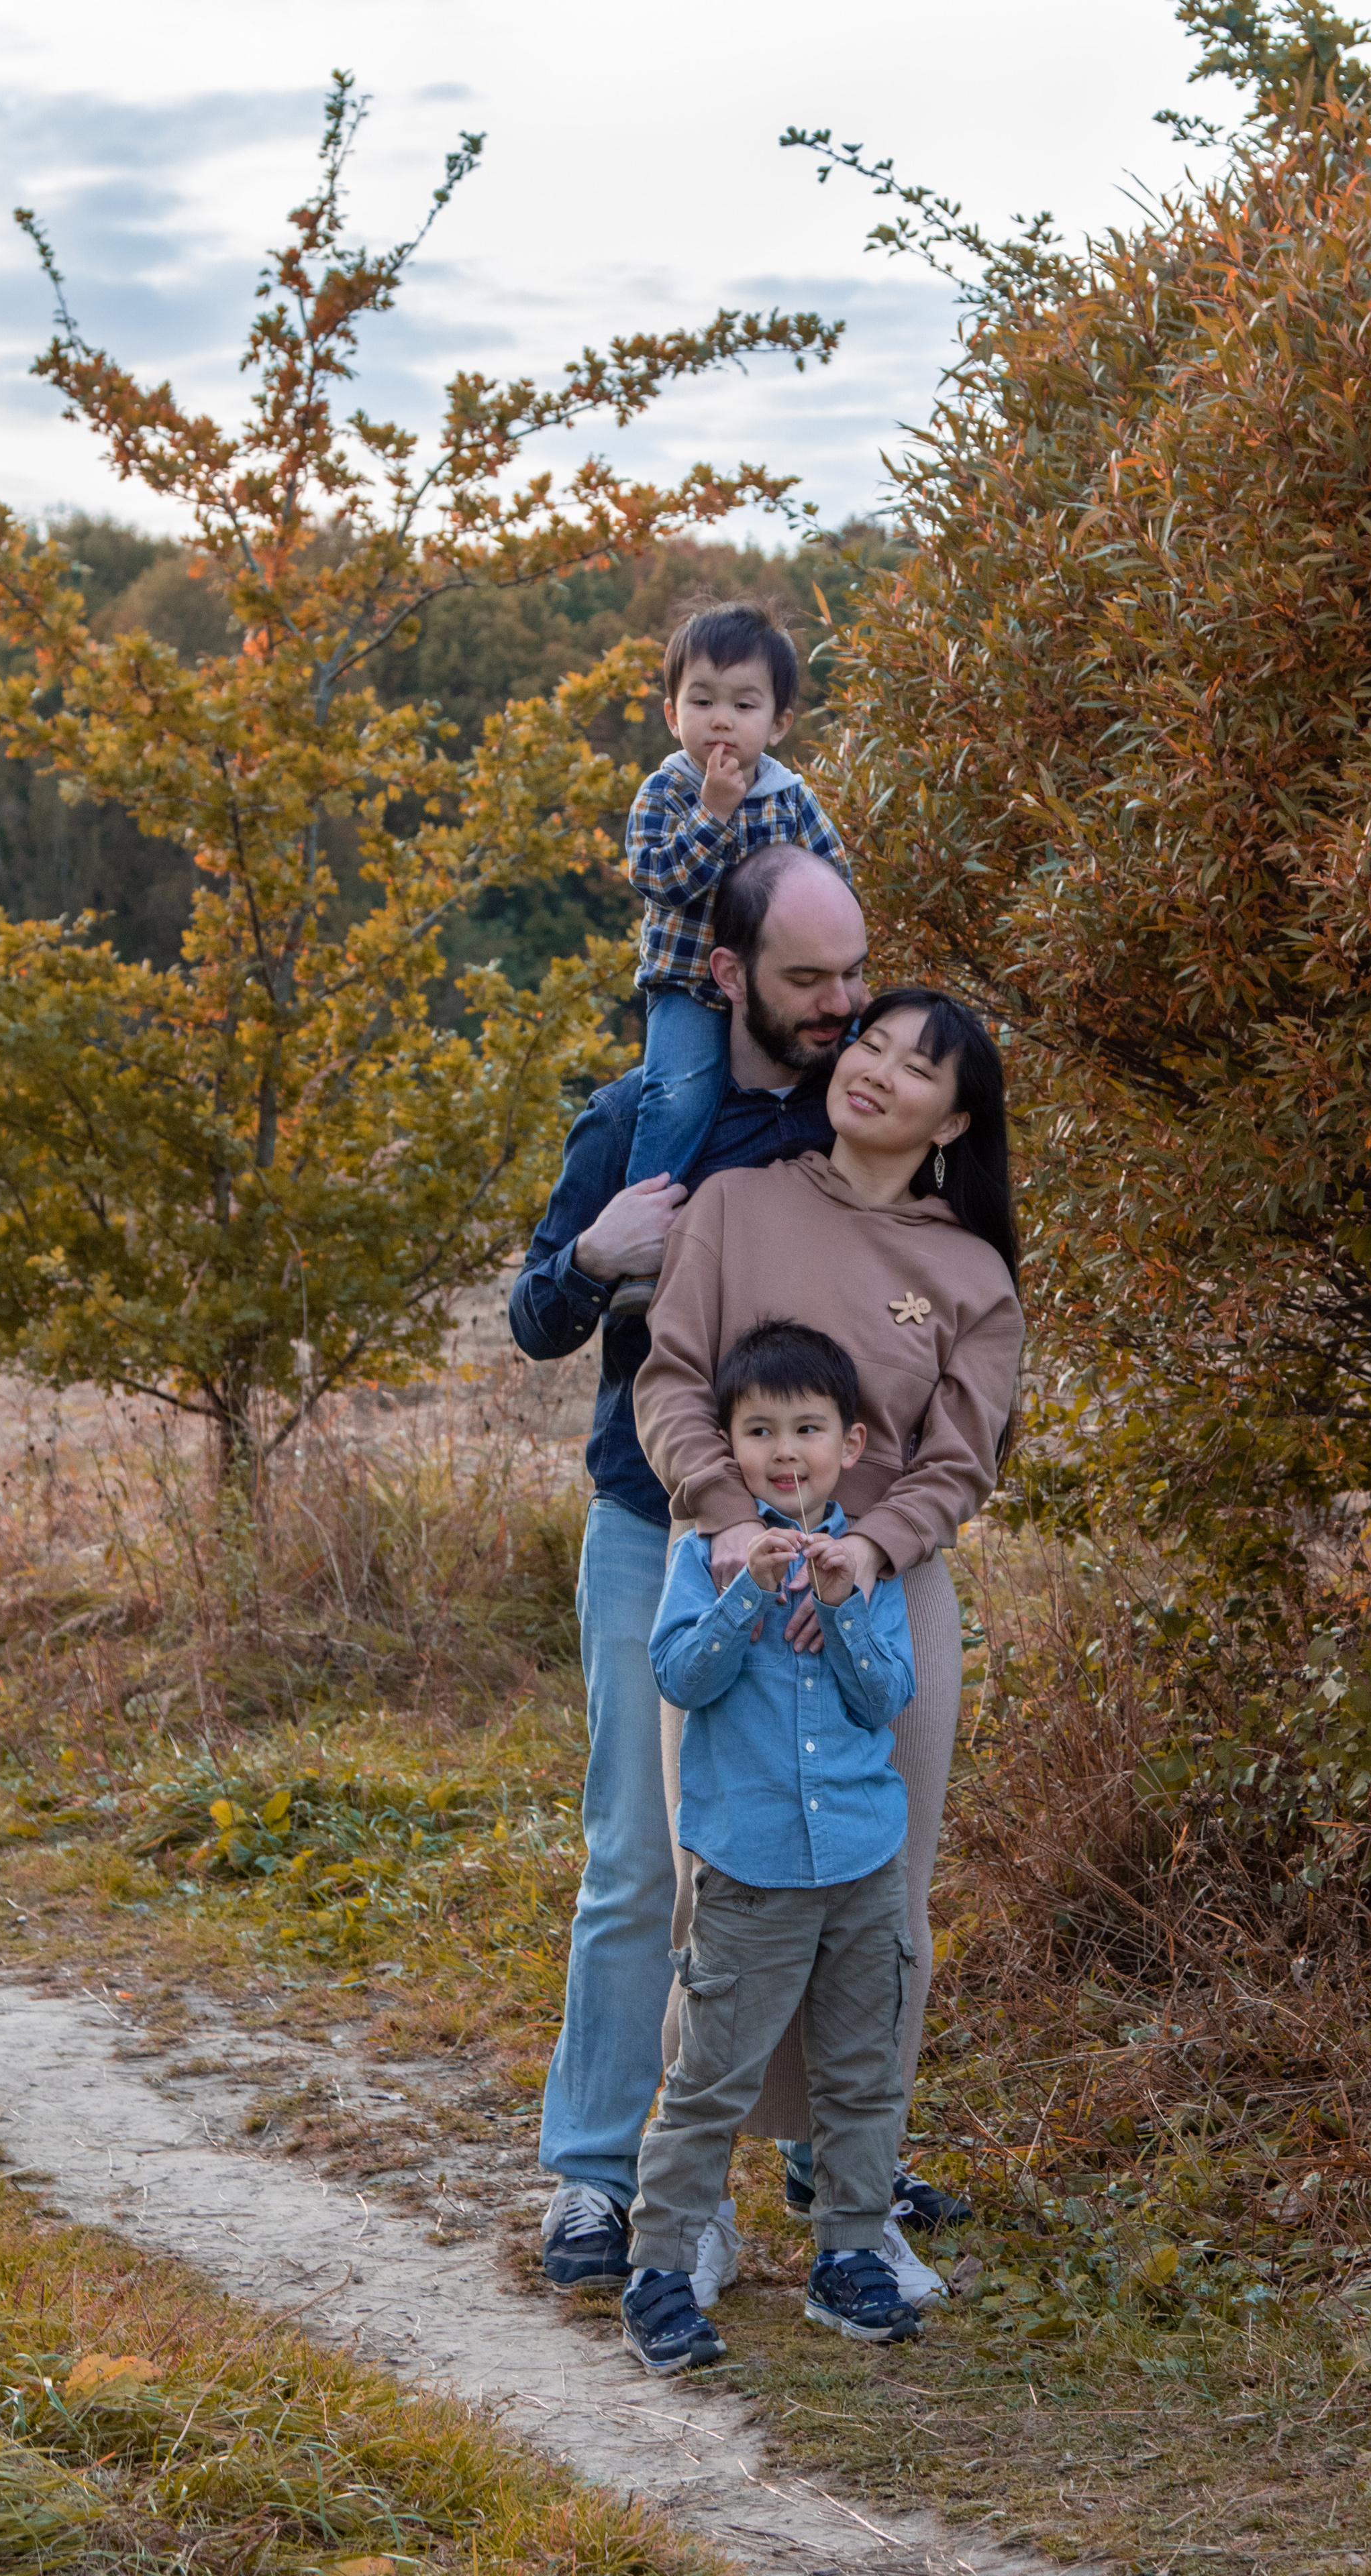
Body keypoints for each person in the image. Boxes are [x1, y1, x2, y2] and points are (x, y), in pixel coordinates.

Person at [508, 845, 868, 2288]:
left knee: (813, 1841)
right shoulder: (632, 1124)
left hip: (812, 1541)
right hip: (647, 1526)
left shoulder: (854, 1123)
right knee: (637, 1862)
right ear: (723, 976)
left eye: (852, 973)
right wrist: (595, 1253)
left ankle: (832, 2165)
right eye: (806, 980)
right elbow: (535, 1319)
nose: (840, 1003)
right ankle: (595, 2182)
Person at [633, 987, 1025, 2216]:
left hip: (886, 1597)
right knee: (723, 1880)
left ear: (954, 1122)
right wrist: (734, 1526)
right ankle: (690, 2207)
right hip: (725, 1580)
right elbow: (673, 1379)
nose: (878, 1072)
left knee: (883, 1893)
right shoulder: (737, 1205)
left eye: (918, 1068)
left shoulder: (969, 1272)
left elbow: (962, 1459)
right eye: (871, 1042)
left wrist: (869, 1557)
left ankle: (846, 2176)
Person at [621, 1320, 925, 2375]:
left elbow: (889, 1696)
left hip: (860, 1865)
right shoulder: (709, 1564)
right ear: (731, 1445)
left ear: (851, 1442)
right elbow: (681, 1679)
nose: (784, 1450)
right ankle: (659, 2268)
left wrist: (838, 1606)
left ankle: (848, 2259)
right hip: (749, 1870)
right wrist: (750, 1588)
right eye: (759, 1430)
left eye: (807, 1428)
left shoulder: (865, 1567)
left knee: (861, 2074)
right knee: (710, 2075)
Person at [609, 600, 847, 1318]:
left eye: (743, 704)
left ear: (776, 723)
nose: (720, 721)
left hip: (775, 994)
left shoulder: (791, 799)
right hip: (687, 985)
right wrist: (712, 815)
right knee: (678, 1092)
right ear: (670, 712)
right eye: (701, 700)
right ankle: (644, 1251)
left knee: (864, 1055)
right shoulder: (667, 793)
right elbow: (660, 882)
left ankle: (866, 1218)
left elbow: (835, 883)